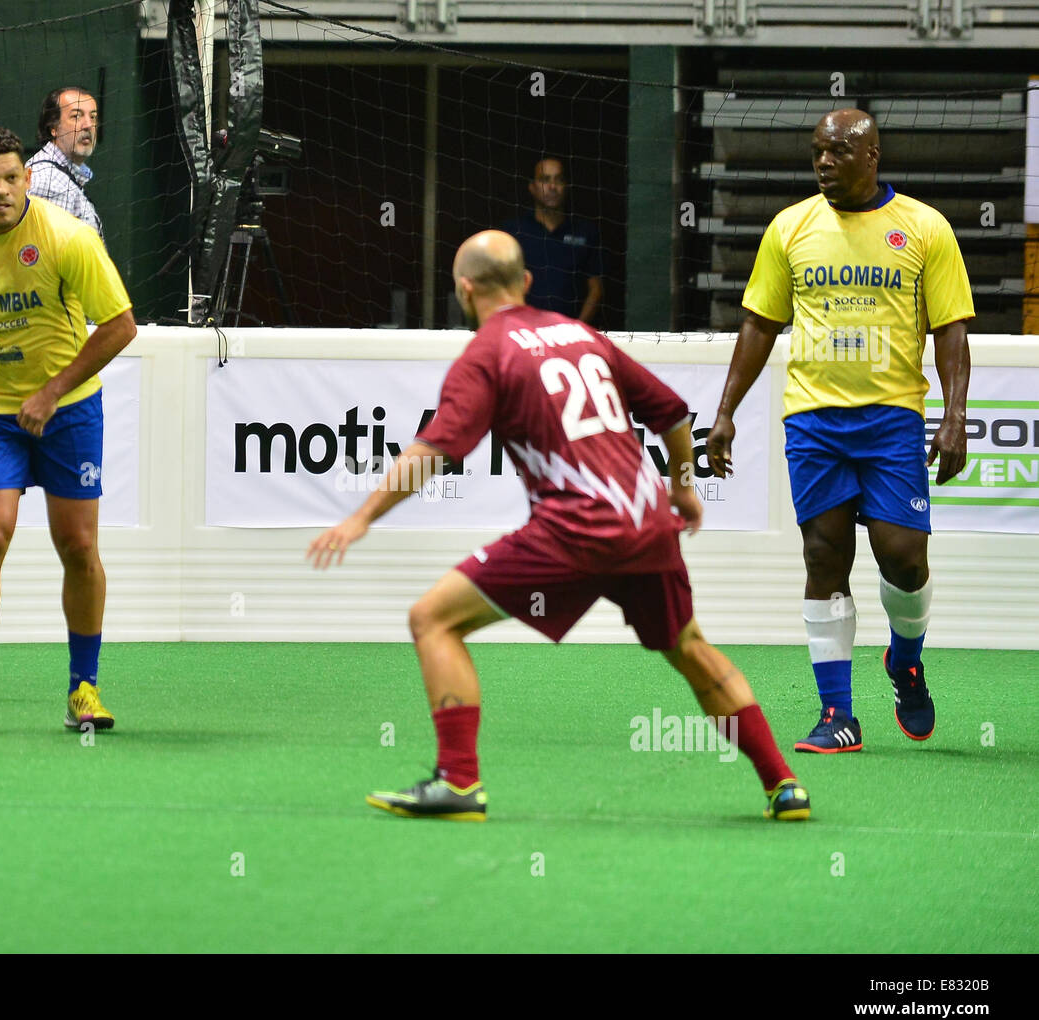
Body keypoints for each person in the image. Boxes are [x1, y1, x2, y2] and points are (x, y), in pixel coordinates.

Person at [308, 229, 810, 823]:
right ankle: (783, 784)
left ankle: (459, 783)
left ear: (464, 290)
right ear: (525, 282)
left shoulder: (486, 353)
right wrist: (681, 485)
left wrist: (361, 517)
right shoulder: (583, 334)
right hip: (647, 525)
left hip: (574, 529)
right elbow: (673, 412)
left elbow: (437, 450)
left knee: (432, 619)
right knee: (689, 647)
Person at [707, 109, 973, 754]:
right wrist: (725, 412)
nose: (823, 162)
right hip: (814, 419)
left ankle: (904, 660)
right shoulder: (790, 227)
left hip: (892, 421)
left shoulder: (924, 227)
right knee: (824, 557)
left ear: (872, 155)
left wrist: (957, 416)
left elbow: (951, 329)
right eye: (816, 152)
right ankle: (838, 715)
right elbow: (759, 324)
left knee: (904, 559)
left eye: (837, 151)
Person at [0, 126, 137, 732]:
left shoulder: (69, 239)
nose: (2, 191)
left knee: (79, 546)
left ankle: (83, 690)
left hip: (67, 409)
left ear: (28, 179)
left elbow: (120, 326)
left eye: (12, 178)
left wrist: (50, 392)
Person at [502, 157, 604, 325]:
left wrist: (577, 329)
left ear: (566, 186)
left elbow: (596, 289)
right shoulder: (513, 231)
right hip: (524, 333)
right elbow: (502, 287)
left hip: (571, 336)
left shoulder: (586, 232)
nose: (552, 187)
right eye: (545, 179)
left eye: (559, 179)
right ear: (532, 187)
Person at [26, 87, 104, 239]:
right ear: (53, 128)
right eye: (76, 116)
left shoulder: (62, 174)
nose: (88, 125)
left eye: (93, 117)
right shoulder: (50, 182)